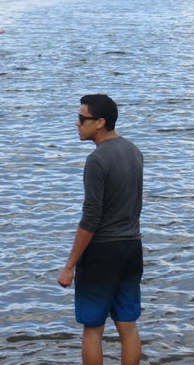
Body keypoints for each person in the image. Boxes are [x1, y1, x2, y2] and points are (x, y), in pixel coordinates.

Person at [57, 94, 144, 365]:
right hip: (132, 247)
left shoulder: (97, 160)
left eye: (82, 119)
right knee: (127, 325)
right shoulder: (133, 150)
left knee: (93, 330)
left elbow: (91, 217)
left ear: (100, 123)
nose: (77, 123)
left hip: (102, 253)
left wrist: (70, 265)